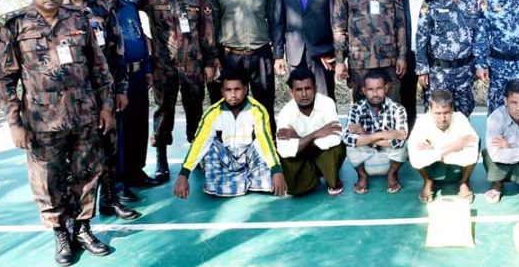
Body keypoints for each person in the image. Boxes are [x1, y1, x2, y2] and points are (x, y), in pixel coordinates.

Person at [0, 0, 115, 265]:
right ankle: (60, 231)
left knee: (88, 173)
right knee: (47, 178)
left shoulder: (80, 19)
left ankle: (84, 229)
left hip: (84, 114)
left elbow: (100, 68)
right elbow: (4, 79)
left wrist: (106, 107)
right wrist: (15, 124)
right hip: (41, 120)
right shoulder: (14, 25)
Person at [53, 0, 136, 220]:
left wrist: (121, 89)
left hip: (104, 93)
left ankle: (110, 200)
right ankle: (74, 218)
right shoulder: (52, 6)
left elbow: (118, 49)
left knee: (110, 147)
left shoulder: (101, 4)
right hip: (68, 97)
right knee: (72, 159)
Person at [133, 0, 218, 183]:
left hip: (193, 66)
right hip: (163, 66)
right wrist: (142, 39)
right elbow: (124, 11)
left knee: (195, 111)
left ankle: (196, 155)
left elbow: (207, 33)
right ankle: (161, 160)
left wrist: (211, 62)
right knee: (164, 112)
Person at [90, 0, 164, 196]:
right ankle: (118, 185)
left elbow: (139, 34)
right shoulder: (91, 9)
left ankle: (136, 171)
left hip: (138, 73)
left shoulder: (129, 4)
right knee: (117, 133)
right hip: (112, 80)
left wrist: (149, 69)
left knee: (138, 126)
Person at [173, 72, 287, 198]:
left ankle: (243, 181)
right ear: (222, 91)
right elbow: (199, 143)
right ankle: (241, 182)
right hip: (226, 159)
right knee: (211, 147)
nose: (233, 95)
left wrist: (276, 170)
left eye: (237, 89)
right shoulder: (212, 113)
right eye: (228, 90)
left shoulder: (258, 110)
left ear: (245, 89)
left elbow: (265, 142)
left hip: (249, 158)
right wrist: (184, 174)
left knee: (259, 145)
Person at [207, 0, 277, 133]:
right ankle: (232, 145)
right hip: (231, 55)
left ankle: (269, 146)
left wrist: (278, 54)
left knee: (265, 103)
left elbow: (274, 20)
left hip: (260, 54)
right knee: (232, 104)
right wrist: (213, 57)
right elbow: (211, 27)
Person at [332, 0, 407, 102]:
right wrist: (339, 60)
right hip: (360, 60)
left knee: (393, 105)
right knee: (361, 108)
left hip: (388, 58)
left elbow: (400, 24)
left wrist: (402, 56)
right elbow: (339, 26)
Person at [273, 0, 338, 99]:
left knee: (325, 99)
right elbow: (278, 21)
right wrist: (278, 55)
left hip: (323, 53)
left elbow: (335, 21)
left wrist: (338, 53)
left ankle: (330, 125)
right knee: (300, 99)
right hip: (295, 53)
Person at [416, 0, 480, 117]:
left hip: (465, 72)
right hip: (439, 73)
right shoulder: (431, 4)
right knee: (438, 115)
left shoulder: (473, 3)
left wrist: (480, 65)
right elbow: (421, 38)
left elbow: (480, 37)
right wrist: (422, 70)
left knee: (463, 117)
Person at [275, 67, 346, 196]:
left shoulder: (327, 103)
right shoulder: (285, 113)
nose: (303, 94)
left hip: (322, 155)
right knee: (289, 165)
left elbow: (335, 138)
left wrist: (298, 139)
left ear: (315, 89)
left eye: (307, 88)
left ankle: (332, 179)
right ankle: (311, 179)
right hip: (303, 156)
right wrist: (315, 134)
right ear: (291, 92)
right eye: (298, 90)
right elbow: (283, 150)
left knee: (336, 149)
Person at [341, 70, 409, 194]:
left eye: (379, 88)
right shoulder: (356, 109)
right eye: (370, 89)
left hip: (389, 157)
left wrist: (364, 135)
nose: (375, 94)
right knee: (350, 147)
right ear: (364, 91)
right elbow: (348, 139)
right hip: (366, 156)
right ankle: (362, 176)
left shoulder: (398, 109)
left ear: (386, 88)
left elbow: (400, 140)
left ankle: (391, 175)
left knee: (405, 144)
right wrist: (383, 135)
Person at [407, 90, 479, 203]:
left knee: (476, 147)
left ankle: (464, 182)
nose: (442, 118)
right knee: (414, 153)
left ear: (452, 110)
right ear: (430, 110)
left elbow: (472, 155)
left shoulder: (460, 119)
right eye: (437, 113)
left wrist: (434, 151)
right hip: (440, 162)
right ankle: (428, 181)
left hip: (444, 161)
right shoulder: (422, 122)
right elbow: (415, 160)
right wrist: (453, 147)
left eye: (446, 112)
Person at [400, 0, 440, 129]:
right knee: (406, 100)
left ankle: (430, 138)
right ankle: (408, 140)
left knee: (432, 101)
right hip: (405, 57)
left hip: (431, 58)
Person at [185, 0, 222, 106]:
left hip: (214, 48)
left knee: (219, 95)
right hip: (189, 51)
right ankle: (196, 132)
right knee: (193, 100)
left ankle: (221, 132)